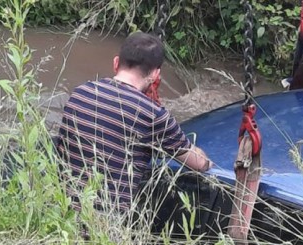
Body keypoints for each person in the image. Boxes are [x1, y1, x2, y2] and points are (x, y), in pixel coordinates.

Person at [57, 31, 213, 214]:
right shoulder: (153, 114)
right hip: (107, 225)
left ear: (116, 63)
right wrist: (207, 162)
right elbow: (198, 163)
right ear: (156, 75)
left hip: (62, 213)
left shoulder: (80, 92)